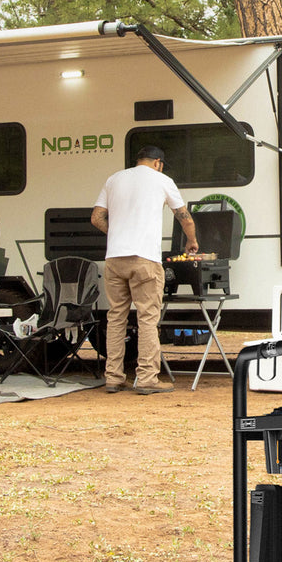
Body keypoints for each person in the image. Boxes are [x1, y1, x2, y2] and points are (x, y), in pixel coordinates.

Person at [91, 145, 198, 395]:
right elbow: (184, 217)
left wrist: (117, 233)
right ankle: (147, 377)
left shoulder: (114, 179)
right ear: (158, 162)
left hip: (115, 258)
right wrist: (191, 241)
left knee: (116, 317)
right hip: (145, 258)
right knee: (147, 317)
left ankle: (114, 377)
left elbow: (96, 218)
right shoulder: (163, 180)